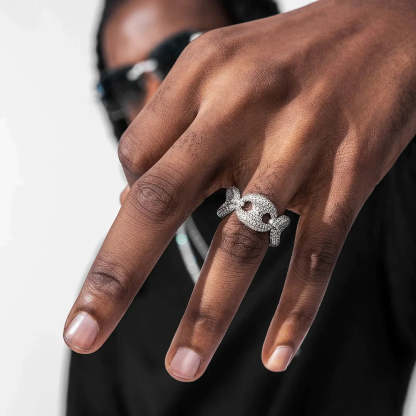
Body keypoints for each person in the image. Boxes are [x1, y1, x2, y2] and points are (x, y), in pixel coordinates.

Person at [65, 0, 416, 414]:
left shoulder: (366, 195)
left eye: (180, 55)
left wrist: (400, 21)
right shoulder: (118, 286)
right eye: (125, 86)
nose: (157, 95)